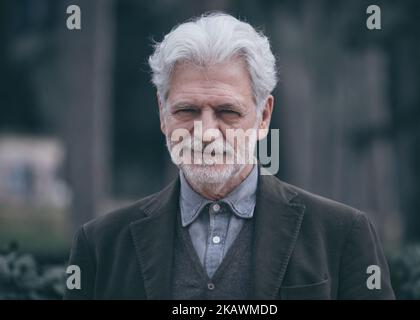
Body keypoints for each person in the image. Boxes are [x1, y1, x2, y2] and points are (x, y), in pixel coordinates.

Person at [65, 12, 395, 300]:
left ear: (264, 116)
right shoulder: (100, 245)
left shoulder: (341, 234)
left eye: (227, 111)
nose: (206, 132)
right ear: (162, 113)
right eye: (186, 110)